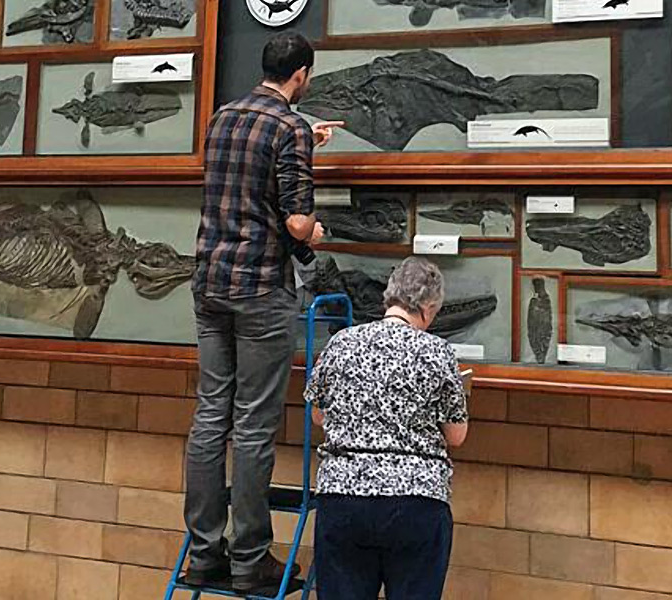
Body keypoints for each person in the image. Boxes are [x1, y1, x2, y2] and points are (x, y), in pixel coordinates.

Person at [184, 32, 343, 595]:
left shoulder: (223, 117)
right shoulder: (290, 127)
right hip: (259, 290)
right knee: (253, 425)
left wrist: (305, 145)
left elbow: (246, 182)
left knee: (210, 419)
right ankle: (251, 559)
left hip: (210, 284)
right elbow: (297, 223)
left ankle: (204, 554)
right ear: (301, 74)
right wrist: (317, 230)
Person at [304, 257, 470, 600]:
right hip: (416, 500)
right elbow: (456, 435)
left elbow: (318, 416)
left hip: (343, 495)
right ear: (427, 307)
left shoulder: (341, 343)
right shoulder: (438, 352)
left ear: (389, 297)